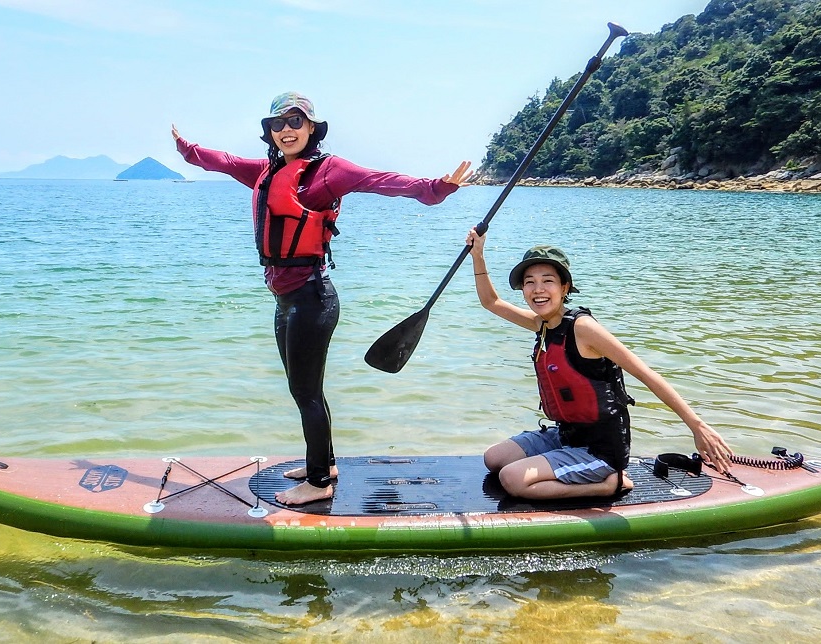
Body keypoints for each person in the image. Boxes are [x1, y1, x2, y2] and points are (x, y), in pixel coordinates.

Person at [172, 92, 473, 505]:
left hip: (312, 298)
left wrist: (438, 187)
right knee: (307, 389)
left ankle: (318, 484)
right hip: (285, 302)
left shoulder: (331, 171)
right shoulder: (265, 170)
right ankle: (325, 464)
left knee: (305, 392)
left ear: (312, 127)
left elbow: (384, 181)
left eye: (295, 121)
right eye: (277, 124)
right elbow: (220, 161)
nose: (286, 130)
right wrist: (185, 147)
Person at [465, 229, 734, 500]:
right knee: (494, 458)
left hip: (601, 449)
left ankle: (610, 483)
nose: (538, 290)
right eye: (529, 282)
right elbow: (492, 302)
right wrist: (478, 255)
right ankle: (559, 462)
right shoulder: (542, 324)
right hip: (566, 435)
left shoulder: (583, 329)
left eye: (548, 281)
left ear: (564, 288)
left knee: (511, 478)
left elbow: (645, 373)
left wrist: (696, 425)